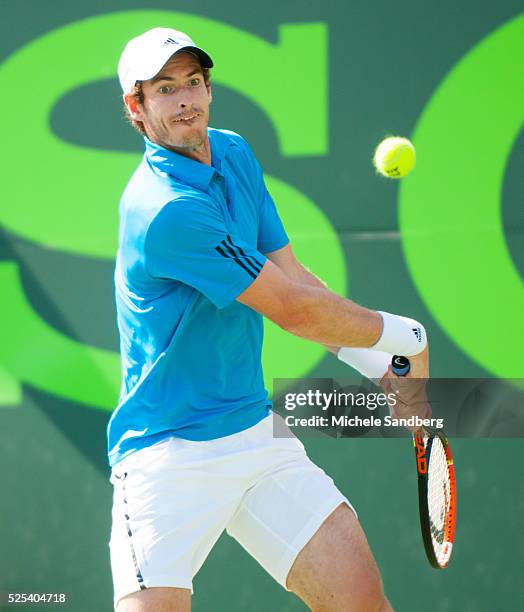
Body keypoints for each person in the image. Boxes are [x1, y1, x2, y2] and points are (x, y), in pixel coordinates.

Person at [109, 27, 430, 612]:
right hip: (167, 456)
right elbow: (291, 310)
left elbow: (294, 277)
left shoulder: (232, 153)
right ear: (137, 106)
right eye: (165, 89)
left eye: (195, 83)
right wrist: (404, 337)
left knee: (364, 604)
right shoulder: (165, 211)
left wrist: (375, 362)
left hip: (256, 439)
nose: (187, 100)